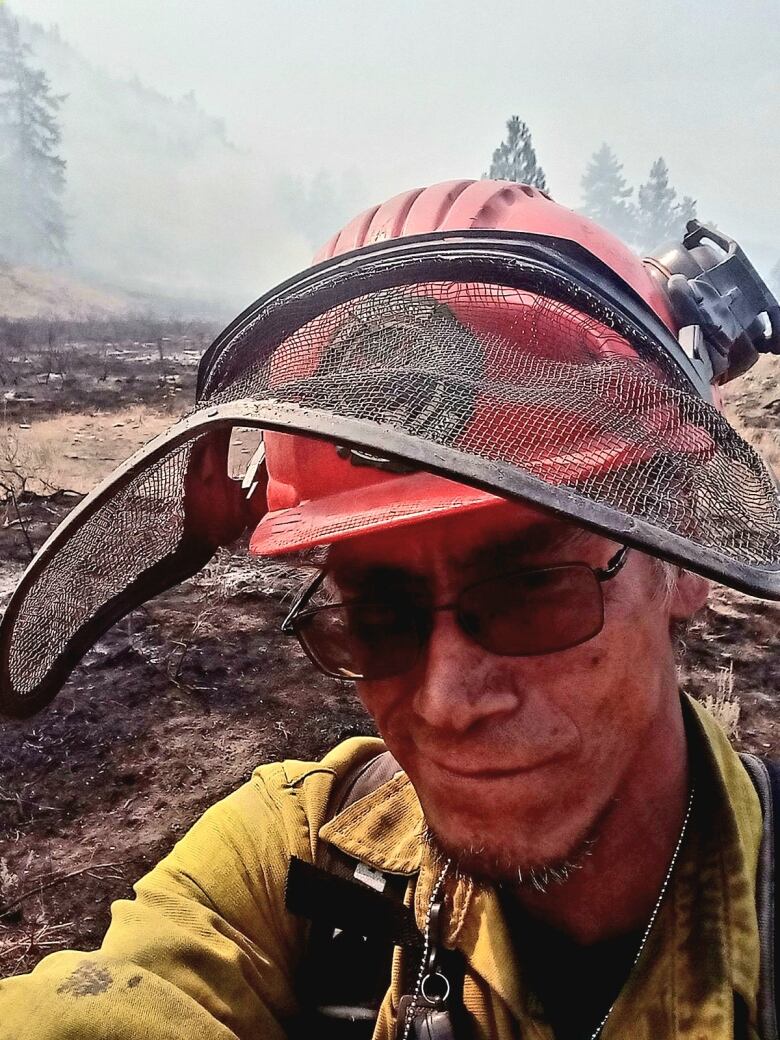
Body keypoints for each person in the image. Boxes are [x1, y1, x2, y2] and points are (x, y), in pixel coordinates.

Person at [1, 179, 779, 1040]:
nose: (446, 702)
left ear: (684, 550)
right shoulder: (299, 859)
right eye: (379, 616)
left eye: (533, 593)